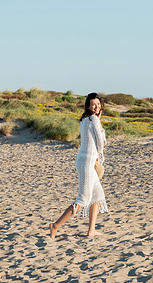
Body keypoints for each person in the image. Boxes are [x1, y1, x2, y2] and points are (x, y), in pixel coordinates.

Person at [49, 92, 108, 238]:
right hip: (88, 161)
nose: (96, 106)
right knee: (83, 199)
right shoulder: (93, 119)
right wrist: (99, 157)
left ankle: (91, 231)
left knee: (98, 195)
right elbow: (100, 142)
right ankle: (55, 225)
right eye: (93, 104)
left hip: (83, 159)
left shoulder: (85, 119)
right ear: (88, 105)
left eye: (98, 104)